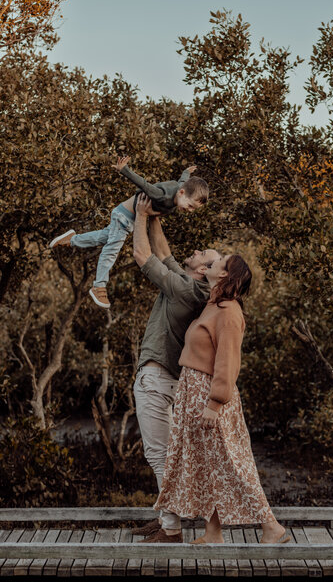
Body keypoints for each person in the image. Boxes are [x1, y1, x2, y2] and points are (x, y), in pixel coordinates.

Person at [153, 253, 290, 544]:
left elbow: (228, 362)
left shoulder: (229, 312)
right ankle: (213, 532)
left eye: (220, 261)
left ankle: (272, 527)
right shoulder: (212, 306)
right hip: (192, 392)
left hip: (208, 396)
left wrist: (214, 404)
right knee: (207, 462)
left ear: (225, 275)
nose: (213, 261)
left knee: (232, 462)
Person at [131, 194, 222, 542]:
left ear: (203, 271)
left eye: (204, 255)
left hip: (157, 379)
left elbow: (144, 256)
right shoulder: (191, 285)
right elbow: (165, 253)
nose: (198, 251)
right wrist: (155, 216)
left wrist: (140, 215)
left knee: (159, 454)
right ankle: (165, 517)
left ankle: (171, 529)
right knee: (162, 451)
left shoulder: (188, 291)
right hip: (162, 379)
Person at [49, 157, 209, 309]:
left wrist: (187, 171)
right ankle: (99, 286)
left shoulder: (181, 190)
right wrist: (124, 169)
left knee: (102, 237)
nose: (189, 210)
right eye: (189, 206)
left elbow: (183, 180)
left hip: (127, 218)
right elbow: (144, 185)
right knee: (111, 250)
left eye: (193, 209)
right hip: (124, 217)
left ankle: (72, 239)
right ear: (181, 193)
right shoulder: (162, 195)